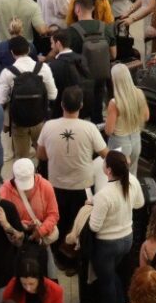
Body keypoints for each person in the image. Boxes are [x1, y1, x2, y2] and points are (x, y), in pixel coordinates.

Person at [37, 86, 108, 265]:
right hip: (83, 184)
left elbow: (41, 155)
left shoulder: (49, 126)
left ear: (61, 104)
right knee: (80, 222)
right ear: (81, 105)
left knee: (57, 220)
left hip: (56, 184)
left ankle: (59, 259)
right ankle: (76, 260)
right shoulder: (90, 128)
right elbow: (105, 154)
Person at [86, 151, 143, 303]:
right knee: (113, 274)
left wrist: (91, 207)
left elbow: (94, 227)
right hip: (127, 238)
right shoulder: (132, 181)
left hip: (107, 244)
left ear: (108, 170)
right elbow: (139, 204)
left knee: (107, 280)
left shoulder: (105, 194)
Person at [0, 35, 58, 161]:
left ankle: (25, 178)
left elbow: (1, 100)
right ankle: (42, 177)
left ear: (12, 52)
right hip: (39, 118)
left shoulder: (7, 72)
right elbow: (53, 95)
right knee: (43, 155)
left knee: (21, 158)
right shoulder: (43, 68)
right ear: (29, 50)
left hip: (18, 121)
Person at [104, 63, 149, 171]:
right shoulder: (139, 93)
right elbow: (146, 117)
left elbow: (109, 131)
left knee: (117, 177)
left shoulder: (114, 103)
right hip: (136, 140)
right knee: (132, 175)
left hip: (119, 144)